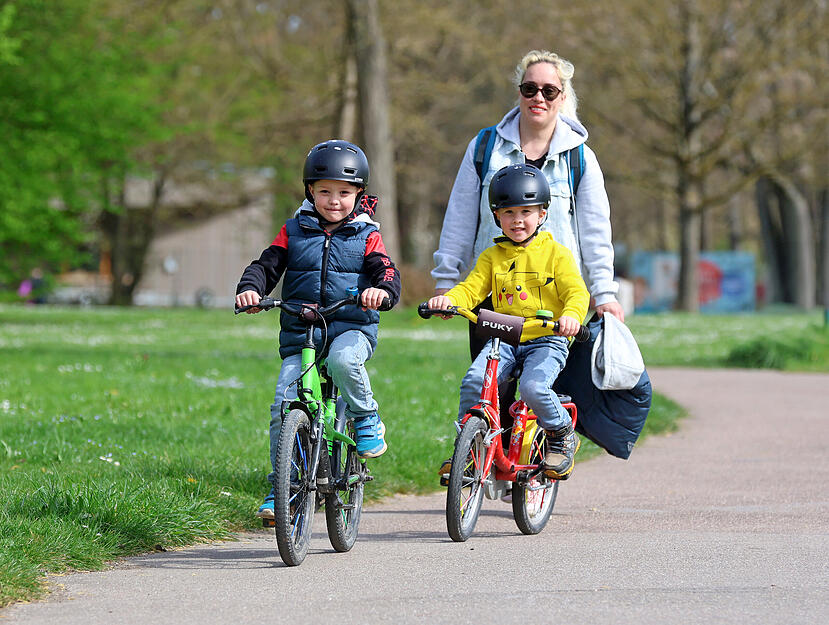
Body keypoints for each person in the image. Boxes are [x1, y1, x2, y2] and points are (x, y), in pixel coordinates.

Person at [235, 139, 402, 520]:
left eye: (344, 192)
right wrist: (250, 289)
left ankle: (365, 417)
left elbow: (387, 272)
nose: (334, 200)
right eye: (324, 191)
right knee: (283, 404)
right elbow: (266, 265)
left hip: (350, 327)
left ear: (359, 194)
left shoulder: (366, 235)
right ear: (310, 190)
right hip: (303, 333)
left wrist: (381, 291)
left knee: (344, 362)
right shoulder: (293, 231)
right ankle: (285, 485)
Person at [432, 49, 623, 337]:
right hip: (493, 296)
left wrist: (604, 293)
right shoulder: (484, 149)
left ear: (562, 97)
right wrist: (446, 280)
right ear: (519, 92)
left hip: (555, 305)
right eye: (530, 89)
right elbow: (459, 219)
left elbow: (595, 233)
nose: (538, 98)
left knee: (544, 382)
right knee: (489, 381)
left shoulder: (580, 157)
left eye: (549, 91)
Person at [428, 163, 589, 479]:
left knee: (533, 386)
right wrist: (450, 300)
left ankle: (561, 434)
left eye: (526, 212)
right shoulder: (492, 257)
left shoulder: (557, 254)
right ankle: (469, 449)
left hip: (547, 338)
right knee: (475, 382)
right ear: (496, 217)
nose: (518, 220)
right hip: (505, 337)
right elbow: (471, 289)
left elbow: (576, 293)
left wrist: (571, 317)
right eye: (509, 213)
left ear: (542, 215)